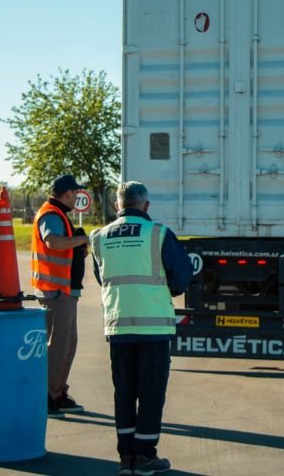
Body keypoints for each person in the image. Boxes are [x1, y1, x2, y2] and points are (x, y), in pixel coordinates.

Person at [90, 181, 191, 476]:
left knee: (124, 392)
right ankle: (145, 456)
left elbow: (102, 277)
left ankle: (126, 458)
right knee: (150, 392)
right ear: (145, 205)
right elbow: (181, 277)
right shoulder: (158, 233)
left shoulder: (99, 237)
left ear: (117, 206)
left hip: (119, 326)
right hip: (153, 326)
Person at [31, 174, 91, 416]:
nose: (77, 196)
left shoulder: (59, 215)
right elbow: (53, 242)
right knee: (59, 346)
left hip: (63, 291)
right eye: (76, 192)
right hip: (55, 292)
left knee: (67, 344)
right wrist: (84, 239)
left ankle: (57, 391)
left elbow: (62, 246)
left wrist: (78, 249)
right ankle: (49, 396)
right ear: (67, 193)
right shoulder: (51, 215)